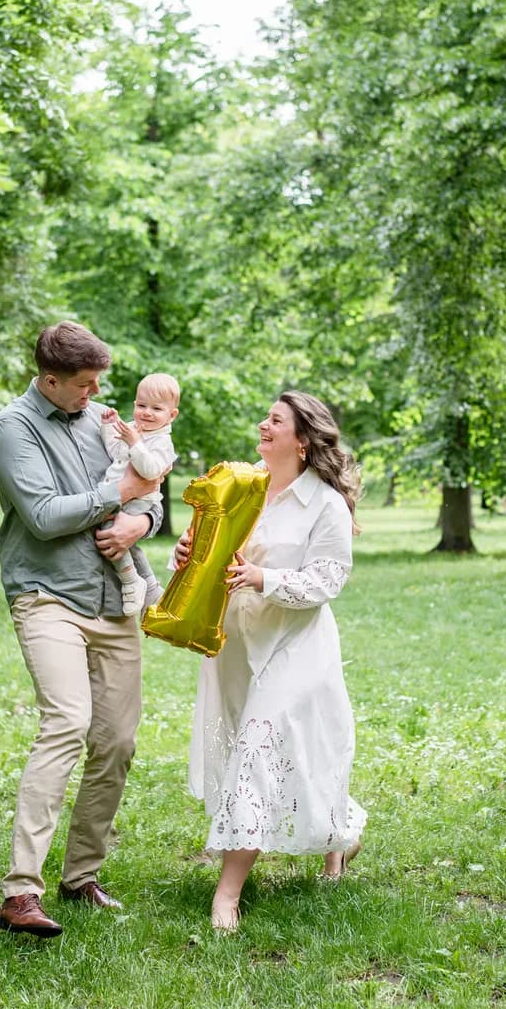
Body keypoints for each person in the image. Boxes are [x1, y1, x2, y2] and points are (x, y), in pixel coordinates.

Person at [0, 321, 167, 938]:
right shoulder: (13, 429)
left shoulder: (98, 419)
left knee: (116, 741)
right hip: (47, 595)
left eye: (97, 385)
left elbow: (151, 490)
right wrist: (118, 493)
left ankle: (81, 875)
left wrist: (140, 521)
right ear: (50, 379)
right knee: (66, 721)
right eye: (83, 386)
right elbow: (41, 517)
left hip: (115, 598)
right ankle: (20, 893)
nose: (93, 395)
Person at [182, 390, 366, 933]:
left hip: (296, 647)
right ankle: (343, 834)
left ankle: (228, 894)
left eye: (275, 421)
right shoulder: (245, 488)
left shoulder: (325, 505)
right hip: (238, 643)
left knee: (257, 753)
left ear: (302, 442)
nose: (263, 425)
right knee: (279, 755)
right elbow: (216, 551)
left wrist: (267, 579)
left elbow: (328, 580)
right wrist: (189, 554)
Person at [99, 372, 180, 617]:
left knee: (112, 534)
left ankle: (131, 580)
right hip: (119, 496)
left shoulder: (162, 442)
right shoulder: (135, 430)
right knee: (115, 537)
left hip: (140, 501)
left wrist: (136, 443)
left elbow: (152, 470)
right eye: (142, 405)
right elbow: (115, 452)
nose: (147, 412)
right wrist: (107, 427)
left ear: (171, 415)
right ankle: (150, 589)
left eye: (156, 408)